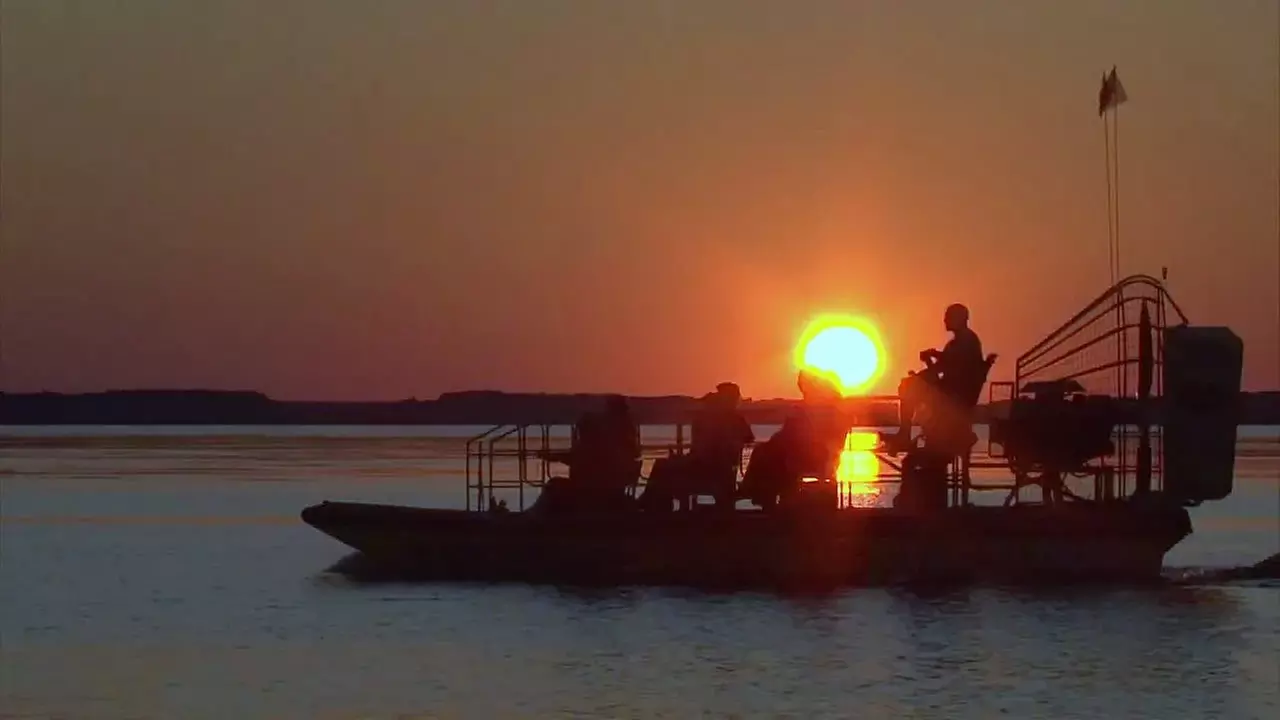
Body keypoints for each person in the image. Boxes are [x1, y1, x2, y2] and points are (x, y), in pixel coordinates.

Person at [882, 303, 986, 455]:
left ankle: (905, 434)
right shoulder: (958, 342)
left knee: (908, 386)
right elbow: (940, 369)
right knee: (910, 383)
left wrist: (933, 359)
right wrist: (928, 365)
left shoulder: (966, 341)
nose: (944, 320)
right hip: (951, 393)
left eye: (948, 317)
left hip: (955, 398)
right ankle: (907, 433)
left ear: (959, 319)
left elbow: (952, 368)